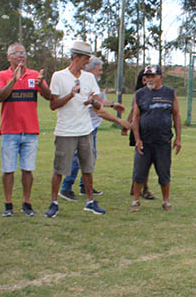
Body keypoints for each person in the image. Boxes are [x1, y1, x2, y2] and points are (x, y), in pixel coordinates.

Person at [45, 41, 105, 218]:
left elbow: (98, 104)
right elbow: (53, 105)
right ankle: (54, 203)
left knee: (87, 168)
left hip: (85, 130)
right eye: (85, 58)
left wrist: (92, 102)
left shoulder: (89, 78)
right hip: (65, 131)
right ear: (75, 57)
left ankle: (90, 202)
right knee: (59, 169)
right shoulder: (59, 76)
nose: (87, 62)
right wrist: (70, 95)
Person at [0, 42, 51, 217]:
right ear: (8, 57)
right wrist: (14, 80)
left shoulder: (34, 75)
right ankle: (8, 204)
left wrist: (42, 85)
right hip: (9, 131)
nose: (20, 56)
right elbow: (0, 97)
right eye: (16, 53)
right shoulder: (2, 75)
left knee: (28, 169)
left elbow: (48, 96)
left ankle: (27, 202)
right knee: (8, 169)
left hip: (30, 131)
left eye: (23, 53)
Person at [58, 56, 126, 201]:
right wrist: (119, 120)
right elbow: (99, 110)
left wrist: (112, 104)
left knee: (89, 157)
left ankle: (85, 186)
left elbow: (99, 101)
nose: (101, 72)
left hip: (91, 127)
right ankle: (66, 187)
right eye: (99, 70)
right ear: (90, 70)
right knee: (79, 158)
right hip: (83, 128)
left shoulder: (91, 83)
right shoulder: (83, 84)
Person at [129, 64, 181, 212]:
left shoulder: (169, 93)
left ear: (160, 77)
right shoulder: (139, 94)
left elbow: (176, 115)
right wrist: (137, 139)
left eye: (153, 76)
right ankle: (135, 201)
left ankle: (166, 201)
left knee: (164, 173)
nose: (149, 79)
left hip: (163, 141)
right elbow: (136, 117)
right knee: (139, 172)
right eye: (147, 76)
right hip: (145, 141)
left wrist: (178, 138)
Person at [128, 68, 155, 201]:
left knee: (147, 161)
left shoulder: (157, 93)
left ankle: (136, 185)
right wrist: (127, 124)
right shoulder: (139, 94)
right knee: (142, 160)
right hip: (140, 130)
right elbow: (133, 110)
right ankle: (143, 188)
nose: (147, 81)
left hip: (151, 130)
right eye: (144, 79)